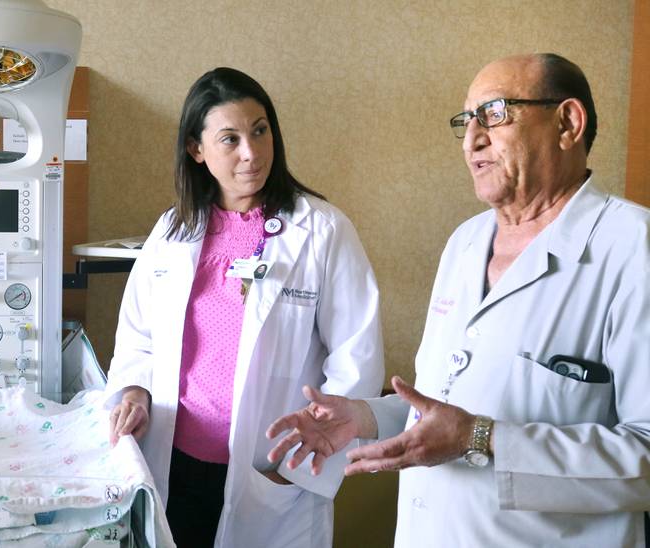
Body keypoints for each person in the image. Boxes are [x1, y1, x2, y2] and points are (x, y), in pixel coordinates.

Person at [267, 53, 650, 547]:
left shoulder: (633, 248)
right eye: (466, 121)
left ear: (567, 123)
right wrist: (363, 418)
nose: (473, 139)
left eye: (495, 113)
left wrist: (483, 440)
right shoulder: (465, 243)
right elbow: (445, 408)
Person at [105, 67, 384, 548]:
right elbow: (138, 336)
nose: (251, 153)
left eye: (260, 131)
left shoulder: (321, 230)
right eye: (230, 139)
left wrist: (293, 472)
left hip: (272, 473)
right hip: (174, 464)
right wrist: (134, 391)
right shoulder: (173, 231)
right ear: (197, 149)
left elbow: (356, 360)